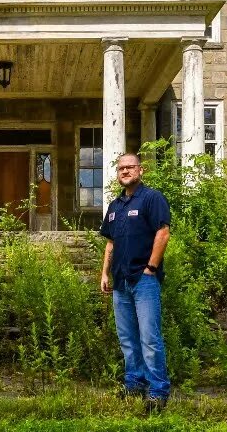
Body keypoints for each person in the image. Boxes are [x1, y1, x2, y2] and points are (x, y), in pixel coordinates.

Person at [99, 152, 171, 412]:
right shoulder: (115, 206)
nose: (125, 171)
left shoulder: (152, 199)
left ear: (141, 171)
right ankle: (134, 385)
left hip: (144, 281)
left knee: (150, 338)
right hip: (120, 282)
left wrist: (151, 268)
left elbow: (163, 232)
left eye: (130, 167)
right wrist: (105, 273)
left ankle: (158, 391)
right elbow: (110, 242)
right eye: (121, 168)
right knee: (127, 338)